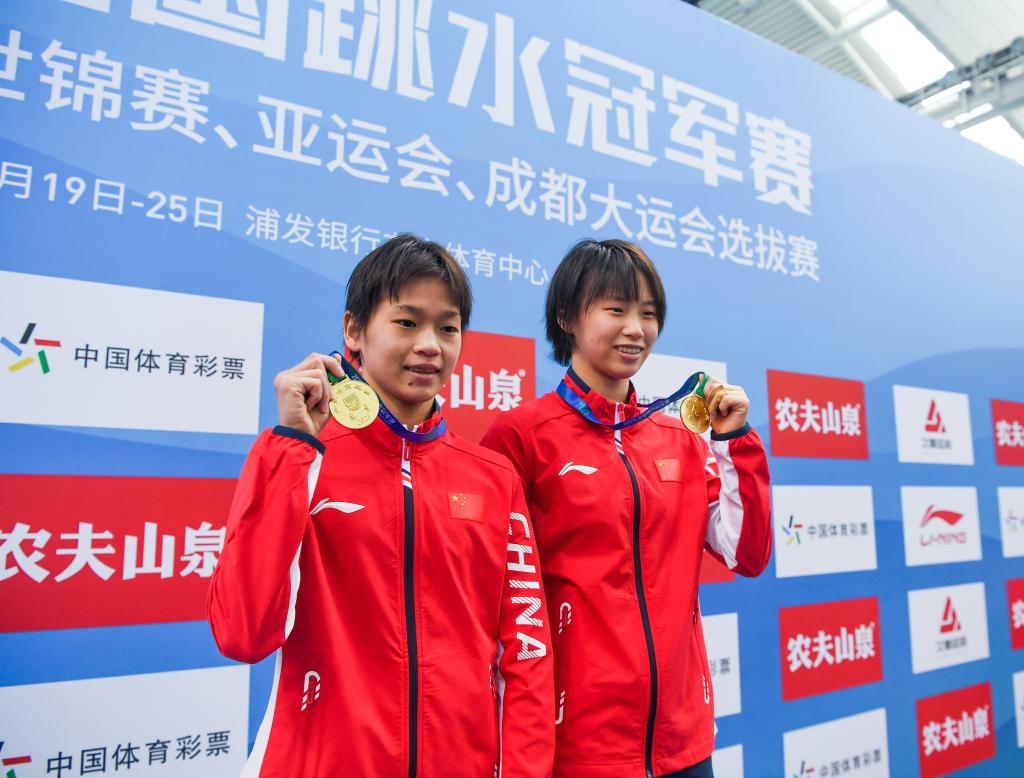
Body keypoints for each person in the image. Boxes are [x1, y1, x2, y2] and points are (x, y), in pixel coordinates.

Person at [209, 234, 554, 777]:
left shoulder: (493, 478)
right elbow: (243, 634)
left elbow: (528, 647)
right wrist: (292, 447)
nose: (430, 346)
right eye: (407, 322)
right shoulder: (299, 458)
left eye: (448, 328)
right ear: (354, 330)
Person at [480, 239, 772, 778]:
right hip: (576, 747)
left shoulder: (679, 439)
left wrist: (735, 442)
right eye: (615, 310)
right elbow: (492, 598)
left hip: (682, 743)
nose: (635, 329)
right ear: (567, 316)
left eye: (649, 314)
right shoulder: (521, 436)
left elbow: (746, 552)